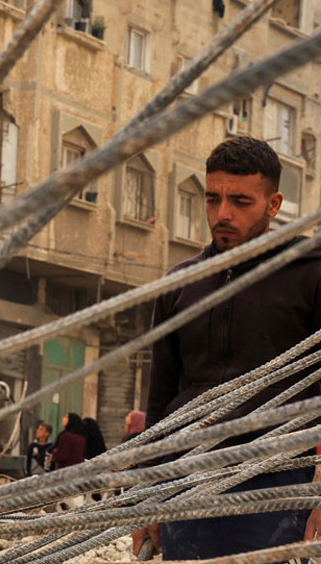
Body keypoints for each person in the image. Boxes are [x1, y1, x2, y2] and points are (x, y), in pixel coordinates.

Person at [132, 136, 321, 559]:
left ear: (274, 205)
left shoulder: (310, 274)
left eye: (240, 201)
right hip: (186, 479)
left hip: (275, 481)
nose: (223, 215)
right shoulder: (180, 285)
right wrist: (147, 492)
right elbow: (160, 400)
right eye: (213, 199)